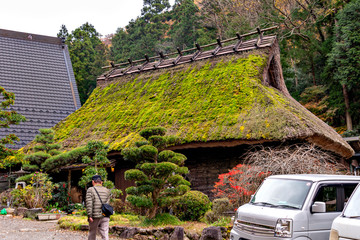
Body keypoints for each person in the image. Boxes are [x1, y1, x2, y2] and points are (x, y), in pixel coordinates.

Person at [86, 175, 111, 240]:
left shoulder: (90, 190)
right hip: (105, 215)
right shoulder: (107, 190)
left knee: (92, 233)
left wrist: (89, 215)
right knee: (105, 233)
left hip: (95, 216)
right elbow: (107, 204)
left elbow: (89, 204)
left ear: (93, 182)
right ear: (101, 182)